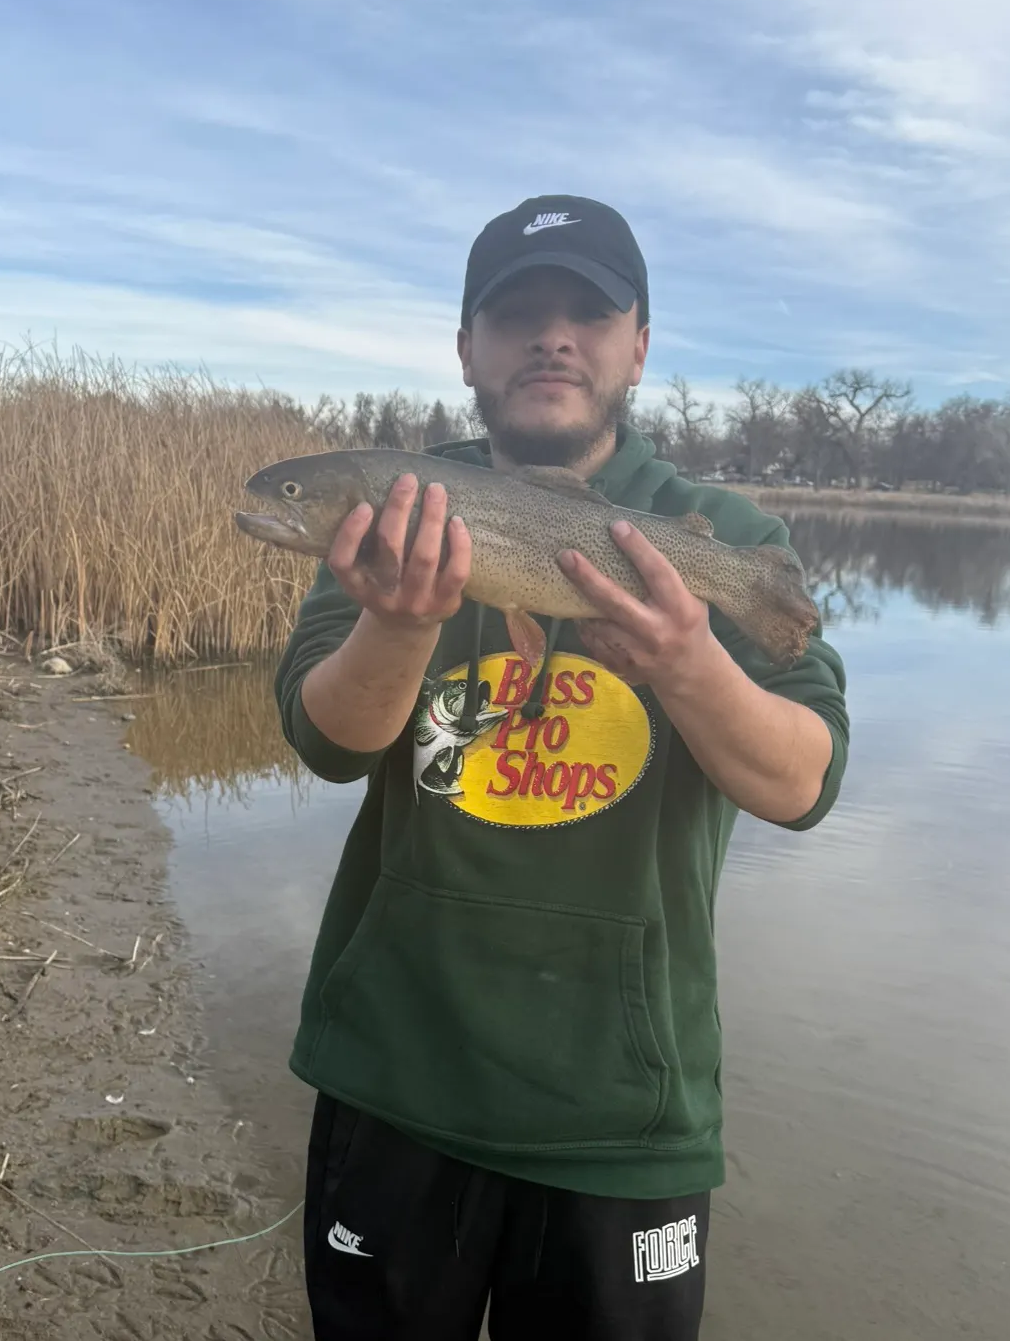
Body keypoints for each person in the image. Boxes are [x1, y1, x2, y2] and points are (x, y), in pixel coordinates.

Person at [272, 194, 850, 1339]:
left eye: (587, 312)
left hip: (624, 1114)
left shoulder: (715, 533)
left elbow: (803, 785)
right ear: (467, 349)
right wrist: (398, 623)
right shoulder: (397, 512)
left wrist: (689, 665)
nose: (553, 336)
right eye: (517, 313)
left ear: (638, 345)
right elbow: (327, 745)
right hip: (398, 1078)